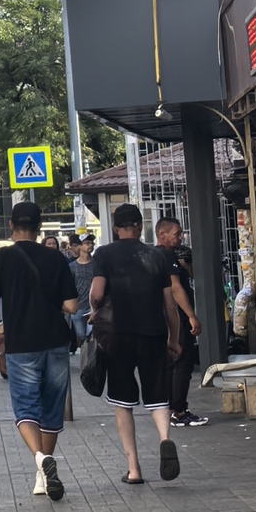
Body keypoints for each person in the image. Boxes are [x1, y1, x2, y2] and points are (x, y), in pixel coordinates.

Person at [0, 199, 79, 502]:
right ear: (39, 228)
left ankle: (40, 459)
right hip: (56, 342)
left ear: (11, 227)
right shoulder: (57, 258)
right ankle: (43, 475)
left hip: (21, 344)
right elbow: (72, 306)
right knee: (51, 410)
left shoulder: (0, 259)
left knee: (25, 408)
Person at [89, 203, 186, 484]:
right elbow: (169, 302)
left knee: (123, 402)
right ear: (139, 226)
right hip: (153, 332)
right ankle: (165, 438)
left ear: (116, 228)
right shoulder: (156, 255)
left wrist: (96, 310)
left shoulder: (104, 253)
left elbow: (96, 293)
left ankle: (134, 470)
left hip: (118, 336)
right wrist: (174, 338)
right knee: (157, 396)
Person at [155, 213, 205, 426]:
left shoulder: (154, 256)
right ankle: (179, 410)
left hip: (161, 318)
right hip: (176, 317)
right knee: (182, 362)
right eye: (176, 234)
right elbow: (176, 288)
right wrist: (191, 316)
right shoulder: (166, 256)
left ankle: (169, 408)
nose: (180, 238)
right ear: (161, 234)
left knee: (169, 364)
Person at [68, 231, 96, 344]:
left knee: (92, 336)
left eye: (92, 242)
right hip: (79, 306)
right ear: (79, 246)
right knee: (82, 337)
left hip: (94, 307)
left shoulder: (97, 263)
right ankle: (86, 360)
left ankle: (92, 360)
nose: (90, 245)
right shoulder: (72, 267)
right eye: (87, 243)